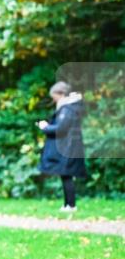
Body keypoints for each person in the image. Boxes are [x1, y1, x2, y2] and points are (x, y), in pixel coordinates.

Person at [37, 81, 87, 212]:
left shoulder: (67, 109)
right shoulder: (70, 108)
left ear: (61, 94)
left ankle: (71, 205)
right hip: (68, 147)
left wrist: (45, 127)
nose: (53, 98)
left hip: (67, 148)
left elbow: (61, 128)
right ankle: (67, 204)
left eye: (54, 95)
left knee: (66, 176)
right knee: (65, 176)